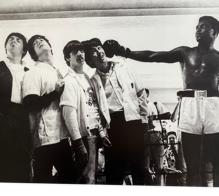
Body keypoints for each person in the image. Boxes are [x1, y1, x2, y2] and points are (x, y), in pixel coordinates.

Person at [103, 16, 219, 188]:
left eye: (203, 27)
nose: (198, 30)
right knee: (192, 168)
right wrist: (124, 51)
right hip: (189, 106)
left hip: (212, 105)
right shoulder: (185, 52)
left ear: (215, 32)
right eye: (197, 27)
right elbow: (154, 56)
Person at [82, 38, 149, 186]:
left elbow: (140, 92)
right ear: (90, 61)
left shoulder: (124, 67)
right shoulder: (92, 81)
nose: (99, 52)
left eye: (99, 48)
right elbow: (95, 110)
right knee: (114, 171)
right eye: (93, 51)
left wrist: (144, 118)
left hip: (133, 120)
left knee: (139, 168)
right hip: (113, 126)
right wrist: (102, 132)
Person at [22, 34, 73, 184]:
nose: (39, 42)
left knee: (70, 178)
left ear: (50, 47)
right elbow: (30, 103)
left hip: (63, 136)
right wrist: (55, 93)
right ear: (33, 54)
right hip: (45, 138)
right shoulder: (33, 72)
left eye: (41, 40)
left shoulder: (58, 71)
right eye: (35, 44)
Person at [60, 40, 112, 185]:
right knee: (84, 180)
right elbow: (68, 114)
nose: (80, 54)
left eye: (81, 51)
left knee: (91, 178)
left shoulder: (89, 79)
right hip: (82, 138)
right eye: (74, 52)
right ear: (67, 58)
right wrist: (78, 144)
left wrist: (101, 133)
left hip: (93, 136)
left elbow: (94, 108)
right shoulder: (69, 81)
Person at [0, 32, 32, 183]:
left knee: (23, 168)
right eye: (10, 39)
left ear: (24, 49)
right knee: (2, 168)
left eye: (18, 40)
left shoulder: (30, 72)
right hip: (1, 122)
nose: (13, 41)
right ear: (5, 47)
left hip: (24, 123)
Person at [144, 88, 171, 186]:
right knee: (144, 166)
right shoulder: (137, 107)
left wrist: (155, 117)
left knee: (159, 166)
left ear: (147, 94)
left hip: (156, 134)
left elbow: (168, 115)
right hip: (144, 135)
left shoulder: (155, 104)